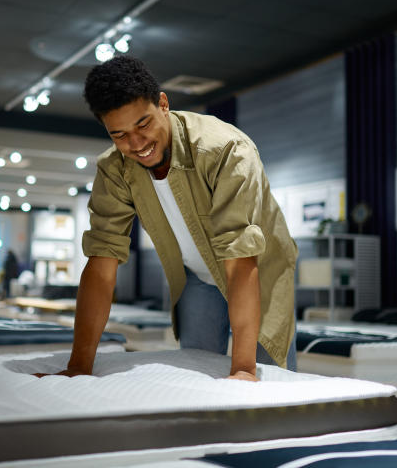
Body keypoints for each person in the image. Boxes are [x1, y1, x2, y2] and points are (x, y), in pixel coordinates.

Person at [47, 56, 297, 381]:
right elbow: (101, 265)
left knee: (268, 381)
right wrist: (79, 367)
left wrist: (244, 370)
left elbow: (240, 257)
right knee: (196, 373)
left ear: (163, 104)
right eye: (119, 134)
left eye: (143, 124)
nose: (136, 144)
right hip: (195, 277)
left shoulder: (227, 151)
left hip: (258, 272)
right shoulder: (114, 170)